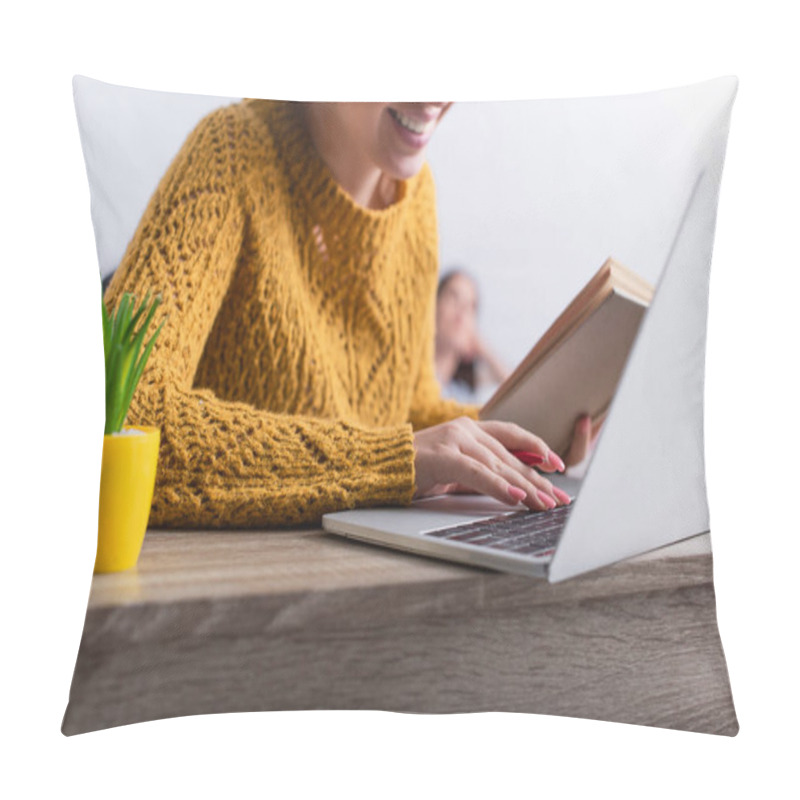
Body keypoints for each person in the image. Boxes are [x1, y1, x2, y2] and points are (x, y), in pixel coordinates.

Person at [104, 99, 599, 529]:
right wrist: (387, 464)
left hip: (358, 571)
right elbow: (118, 412)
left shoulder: (416, 195)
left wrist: (532, 432)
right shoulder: (230, 152)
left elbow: (409, 409)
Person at [435, 268, 508, 405]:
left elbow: (517, 391)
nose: (461, 311)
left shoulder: (462, 396)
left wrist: (484, 350)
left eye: (470, 306)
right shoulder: (412, 380)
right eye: (453, 298)